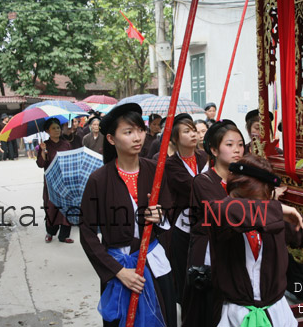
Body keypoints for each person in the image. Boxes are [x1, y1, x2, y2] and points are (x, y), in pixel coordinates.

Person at [209, 154, 303, 326]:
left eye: (257, 200)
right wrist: (278, 208)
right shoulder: (222, 214)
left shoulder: (274, 220)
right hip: (234, 316)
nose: (251, 205)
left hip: (276, 314)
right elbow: (227, 210)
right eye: (239, 197)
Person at [80, 103, 176, 327]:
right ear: (112, 139)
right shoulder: (99, 180)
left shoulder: (155, 170)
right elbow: (87, 233)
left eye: (140, 130)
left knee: (163, 315)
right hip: (119, 269)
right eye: (128, 132)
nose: (137, 137)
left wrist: (159, 215)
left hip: (154, 263)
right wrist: (118, 271)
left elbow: (170, 209)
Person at [182, 119, 244, 327]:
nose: (237, 150)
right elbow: (224, 214)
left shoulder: (243, 180)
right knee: (209, 313)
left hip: (235, 253)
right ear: (214, 150)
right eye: (229, 145)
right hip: (209, 257)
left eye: (240, 144)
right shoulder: (203, 181)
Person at [165, 113, 209, 304]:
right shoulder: (171, 164)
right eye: (186, 131)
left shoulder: (205, 157)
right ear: (175, 138)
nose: (193, 134)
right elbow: (194, 187)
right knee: (184, 267)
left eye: (193, 130)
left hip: (207, 220)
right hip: (183, 224)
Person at [36, 118, 74, 244]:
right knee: (51, 208)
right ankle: (50, 233)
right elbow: (41, 164)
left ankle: (64, 235)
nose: (57, 130)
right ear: (47, 131)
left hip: (65, 181)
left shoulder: (66, 144)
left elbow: (71, 161)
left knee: (66, 207)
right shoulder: (45, 145)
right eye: (53, 128)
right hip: (51, 182)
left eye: (58, 128)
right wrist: (42, 152)